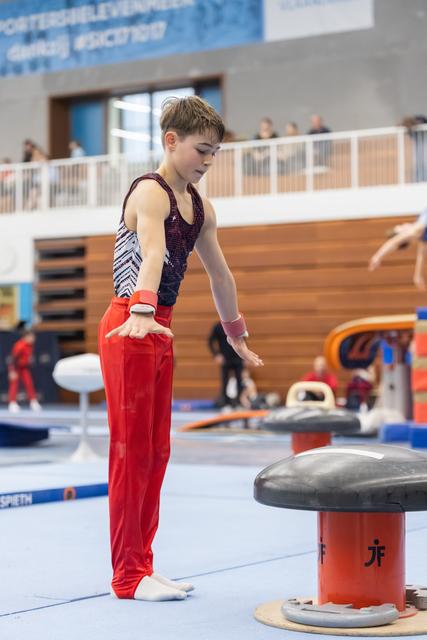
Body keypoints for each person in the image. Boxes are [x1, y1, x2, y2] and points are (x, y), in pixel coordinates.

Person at [98, 95, 263, 603]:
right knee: (131, 453)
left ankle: (144, 565)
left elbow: (220, 273)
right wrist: (144, 312)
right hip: (130, 322)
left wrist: (234, 331)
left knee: (157, 453)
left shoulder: (200, 207)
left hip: (158, 327)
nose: (207, 162)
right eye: (202, 151)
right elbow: (154, 252)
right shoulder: (149, 194)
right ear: (171, 141)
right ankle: (127, 577)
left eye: (214, 154)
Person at [368, 209, 427, 289]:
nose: (403, 224)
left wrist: (417, 275)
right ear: (403, 237)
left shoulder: (422, 235)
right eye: (400, 227)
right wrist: (378, 256)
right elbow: (394, 241)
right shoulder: (417, 230)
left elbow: (421, 254)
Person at [208, 320, 244, 407]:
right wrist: (216, 354)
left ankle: (238, 402)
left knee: (240, 380)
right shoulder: (218, 326)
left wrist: (245, 356)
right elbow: (210, 340)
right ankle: (225, 402)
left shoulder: (237, 323)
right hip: (225, 358)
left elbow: (243, 340)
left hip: (237, 357)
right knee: (225, 381)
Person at [8, 329, 41, 412]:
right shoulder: (19, 346)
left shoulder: (30, 345)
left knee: (29, 384)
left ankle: (33, 402)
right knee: (14, 385)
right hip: (16, 368)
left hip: (24, 368)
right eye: (32, 337)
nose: (34, 339)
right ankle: (12, 403)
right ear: (26, 337)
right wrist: (12, 371)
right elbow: (13, 359)